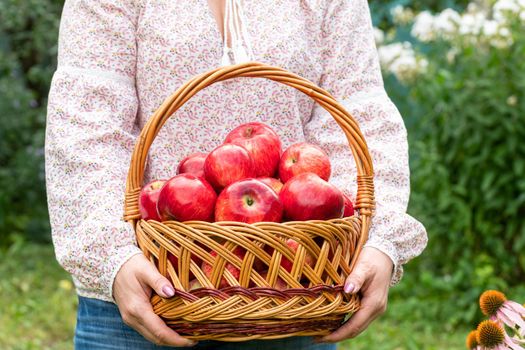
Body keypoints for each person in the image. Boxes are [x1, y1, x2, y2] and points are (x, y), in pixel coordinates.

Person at [45, 0, 428, 349]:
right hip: (142, 295)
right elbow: (86, 125)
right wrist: (114, 259)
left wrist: (379, 241)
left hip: (289, 288)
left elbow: (360, 117)